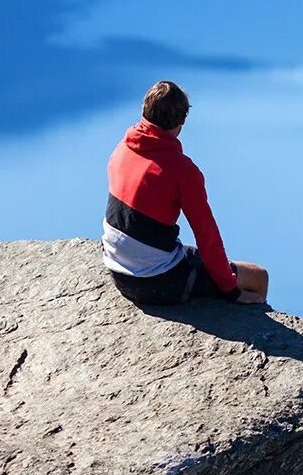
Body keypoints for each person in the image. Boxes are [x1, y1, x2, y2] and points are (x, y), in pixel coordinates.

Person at [101, 80, 270, 307]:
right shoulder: (182, 170)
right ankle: (259, 324)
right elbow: (207, 236)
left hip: (118, 271)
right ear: (181, 121)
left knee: (184, 252)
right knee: (258, 276)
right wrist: (231, 290)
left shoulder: (122, 148)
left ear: (144, 111)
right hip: (158, 281)